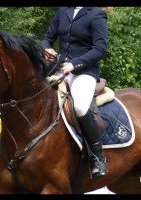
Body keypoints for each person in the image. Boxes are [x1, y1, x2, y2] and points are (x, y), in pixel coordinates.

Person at [41, 7, 109, 179]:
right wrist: (46, 48)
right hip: (59, 69)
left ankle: (97, 157)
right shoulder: (62, 11)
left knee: (79, 108)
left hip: (84, 71)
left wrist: (75, 64)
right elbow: (48, 37)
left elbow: (101, 48)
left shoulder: (96, 14)